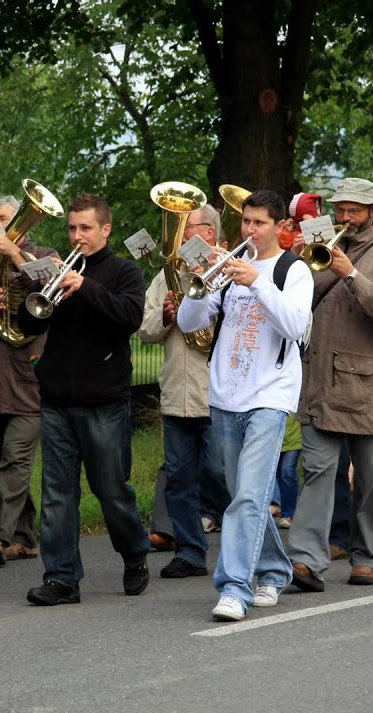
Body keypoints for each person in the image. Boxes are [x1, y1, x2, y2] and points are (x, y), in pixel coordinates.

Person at [177, 189, 313, 621]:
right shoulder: (229, 266)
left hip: (270, 397)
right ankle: (273, 570)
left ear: (279, 226)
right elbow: (188, 323)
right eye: (246, 221)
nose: (250, 230)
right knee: (243, 497)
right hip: (225, 396)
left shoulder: (293, 270)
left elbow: (294, 325)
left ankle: (234, 587)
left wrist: (256, 281)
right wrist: (200, 284)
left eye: (259, 223)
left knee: (250, 497)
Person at [16, 193, 151, 606]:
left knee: (111, 490)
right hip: (56, 399)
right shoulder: (58, 271)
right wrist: (37, 291)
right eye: (72, 228)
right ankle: (62, 578)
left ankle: (134, 553)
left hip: (104, 401)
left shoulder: (123, 272)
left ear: (105, 229)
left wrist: (85, 286)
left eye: (86, 228)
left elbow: (129, 317)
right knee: (57, 494)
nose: (77, 236)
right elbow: (27, 325)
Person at [285, 177, 373, 592]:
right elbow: (297, 302)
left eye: (354, 210)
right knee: (317, 471)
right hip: (321, 381)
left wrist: (352, 274)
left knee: (371, 478)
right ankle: (307, 559)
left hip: (366, 388)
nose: (345, 217)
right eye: (340, 209)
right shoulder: (320, 244)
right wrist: (298, 262)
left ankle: (368, 555)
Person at [0, 194, 60, 568]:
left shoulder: (46, 256)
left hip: (30, 379)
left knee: (15, 460)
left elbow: (53, 287)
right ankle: (24, 538)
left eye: (5, 218)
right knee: (0, 464)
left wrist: (15, 254)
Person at [137, 203, 228, 580]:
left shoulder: (227, 269)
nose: (182, 233)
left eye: (190, 226)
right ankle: (191, 552)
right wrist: (166, 317)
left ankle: (245, 545)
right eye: (180, 226)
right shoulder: (166, 275)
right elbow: (145, 330)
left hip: (216, 393)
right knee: (179, 479)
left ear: (210, 232)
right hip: (176, 391)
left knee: (219, 473)